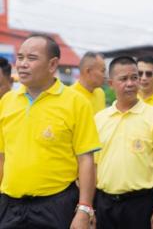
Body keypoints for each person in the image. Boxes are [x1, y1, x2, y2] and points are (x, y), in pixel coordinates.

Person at [0, 34, 100, 229]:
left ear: (52, 64)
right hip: (10, 206)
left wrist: (85, 209)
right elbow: (2, 157)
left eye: (32, 58)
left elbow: (86, 159)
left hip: (56, 206)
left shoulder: (75, 102)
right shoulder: (7, 102)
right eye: (20, 58)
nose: (22, 64)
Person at [95, 56, 153, 229]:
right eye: (123, 79)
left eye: (134, 77)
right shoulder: (99, 119)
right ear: (111, 83)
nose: (130, 83)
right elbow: (93, 165)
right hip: (105, 205)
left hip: (141, 204)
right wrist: (89, 208)